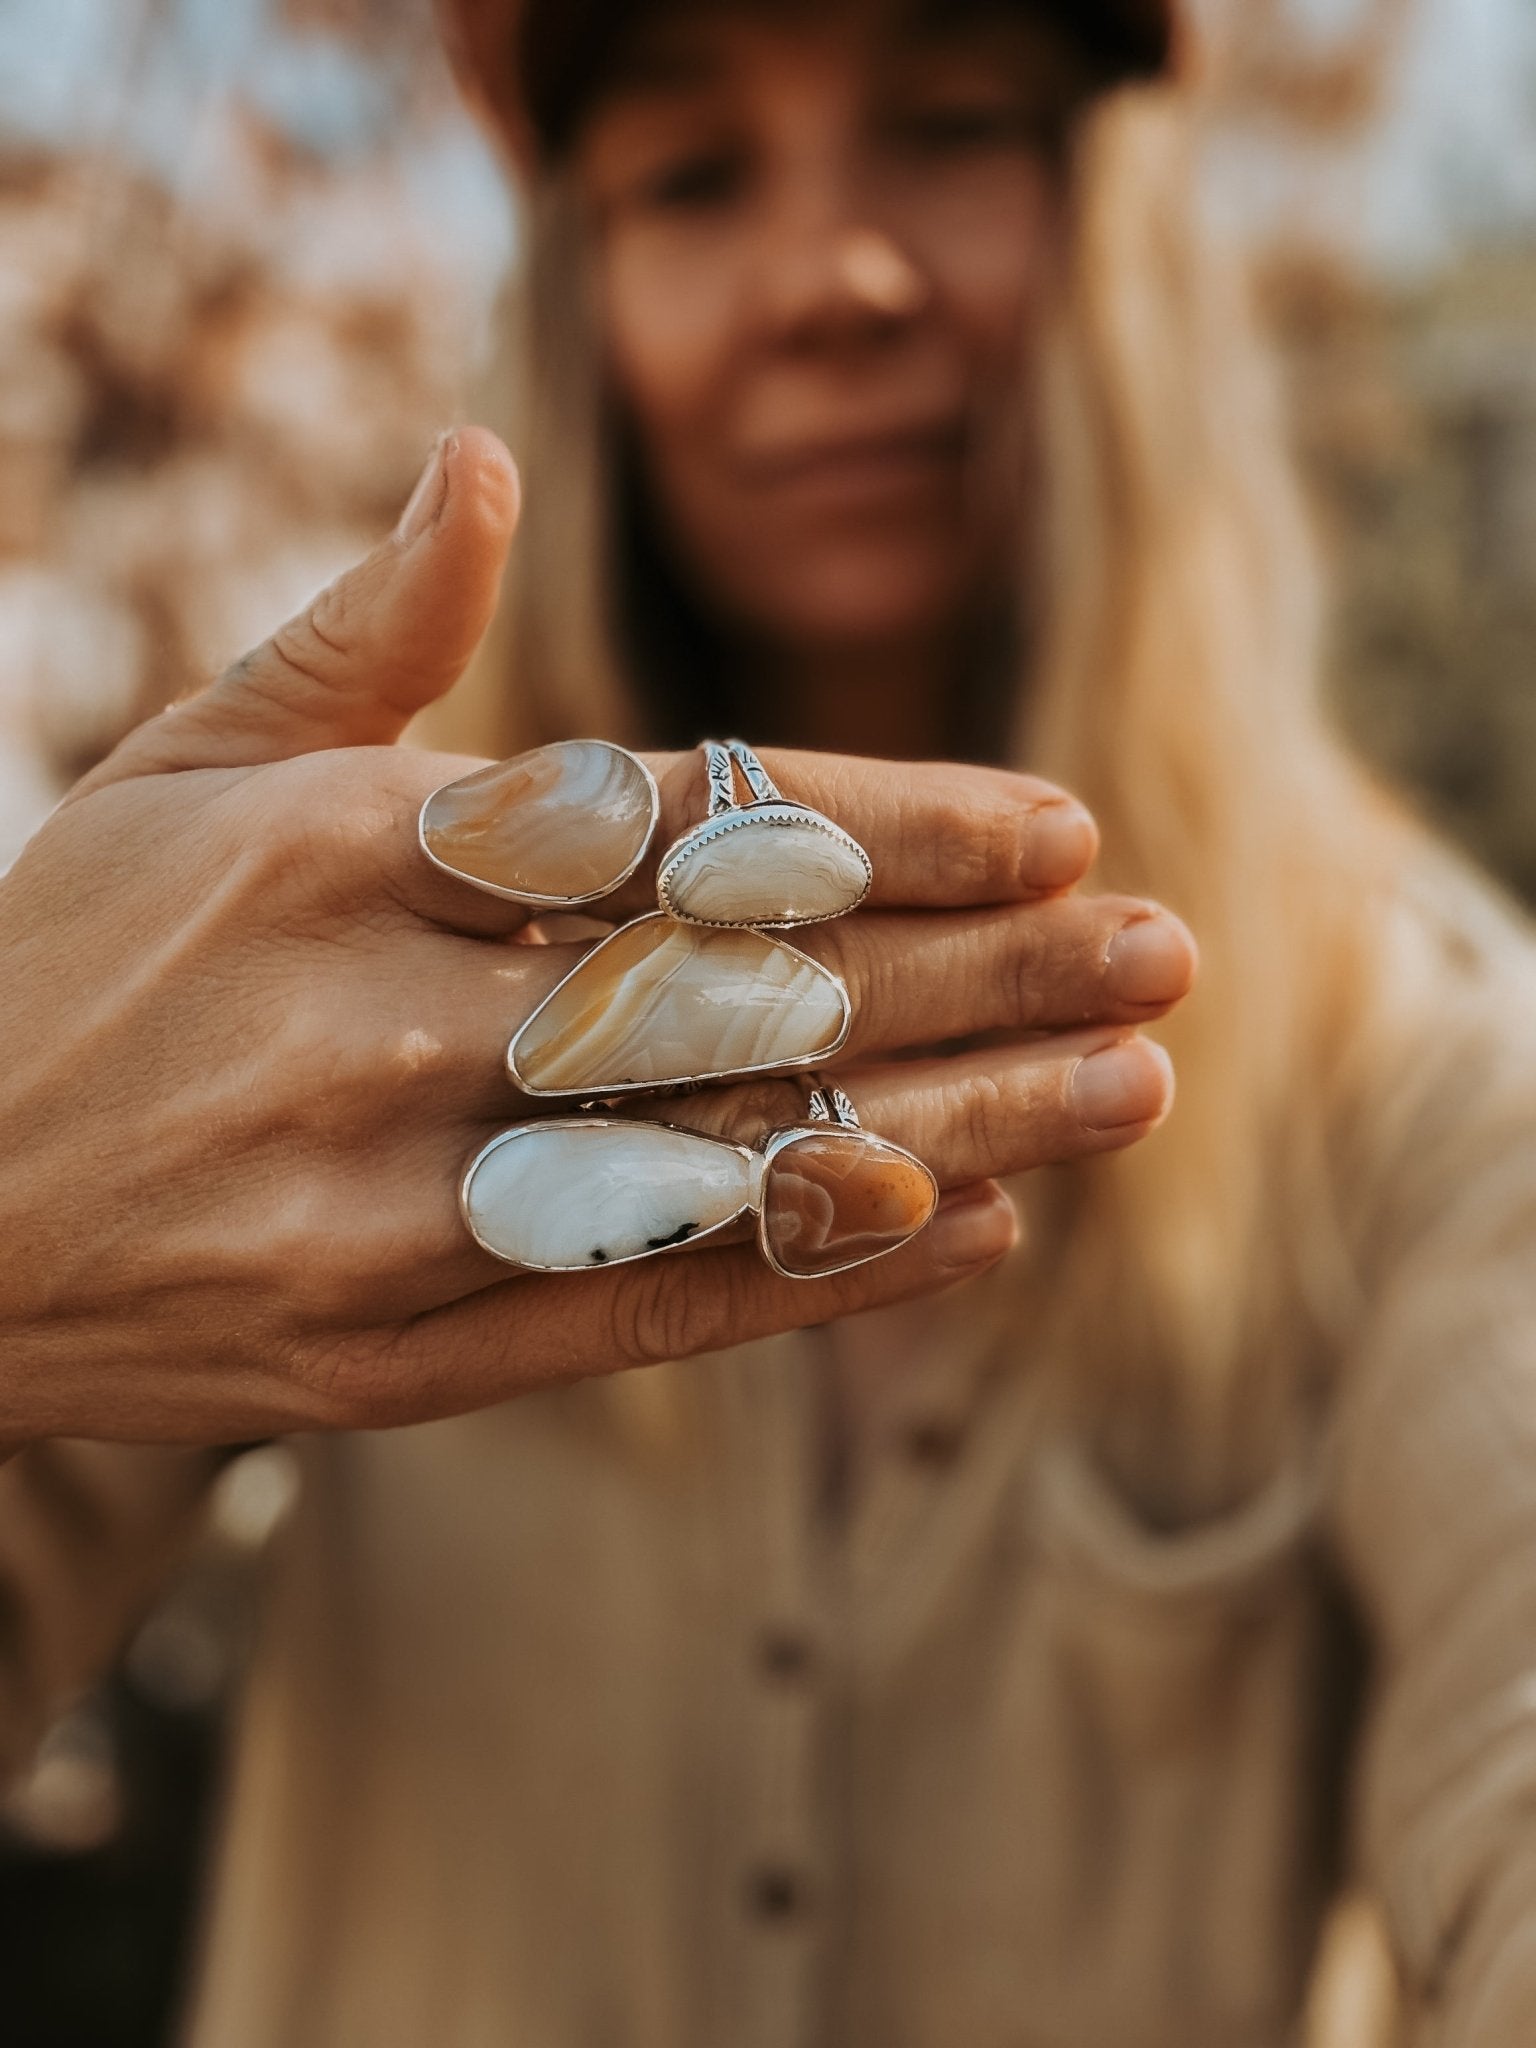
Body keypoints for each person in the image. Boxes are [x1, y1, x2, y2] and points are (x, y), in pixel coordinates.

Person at [2, 0, 1533, 2042]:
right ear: (573, 294)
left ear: (1123, 224)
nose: (832, 280)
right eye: (695, 175)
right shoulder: (344, 995)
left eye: (954, 121)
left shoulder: (1424, 1056)